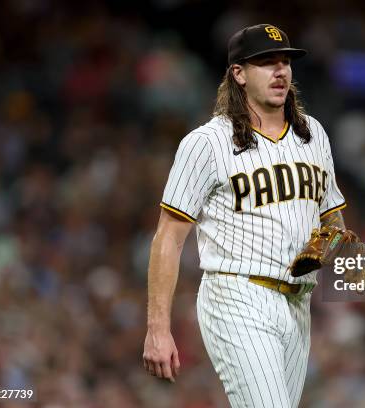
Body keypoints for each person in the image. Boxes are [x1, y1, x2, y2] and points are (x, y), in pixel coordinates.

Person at [142, 23, 347, 407]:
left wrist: (312, 258)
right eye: (267, 62)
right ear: (238, 73)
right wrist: (158, 328)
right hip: (237, 294)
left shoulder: (313, 134)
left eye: (285, 61)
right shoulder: (207, 143)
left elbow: (334, 225)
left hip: (297, 303)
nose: (280, 71)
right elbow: (168, 238)